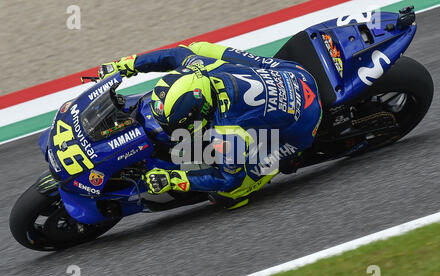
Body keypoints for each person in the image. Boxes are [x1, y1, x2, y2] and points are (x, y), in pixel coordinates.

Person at [99, 42, 322, 209]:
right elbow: (176, 53)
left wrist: (175, 179)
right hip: (294, 73)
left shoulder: (228, 131)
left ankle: (288, 157)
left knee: (231, 193)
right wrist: (128, 65)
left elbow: (228, 177)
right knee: (197, 48)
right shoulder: (199, 68)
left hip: (303, 121)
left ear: (200, 112)